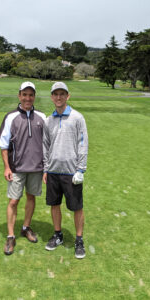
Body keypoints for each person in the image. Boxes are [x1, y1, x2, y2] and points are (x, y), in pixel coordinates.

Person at [0, 81, 46, 255]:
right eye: (24, 94)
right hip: (16, 167)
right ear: (19, 96)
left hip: (36, 168)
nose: (27, 98)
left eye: (31, 95)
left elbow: (47, 143)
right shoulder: (11, 117)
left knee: (31, 197)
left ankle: (25, 227)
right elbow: (4, 146)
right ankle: (10, 236)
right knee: (14, 201)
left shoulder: (42, 117)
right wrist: (6, 167)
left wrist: (46, 168)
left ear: (34, 97)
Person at [43, 82, 88, 259]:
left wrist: (81, 169)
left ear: (68, 96)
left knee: (77, 207)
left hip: (72, 172)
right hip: (53, 171)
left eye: (62, 94)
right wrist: (46, 168)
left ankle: (79, 239)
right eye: (56, 94)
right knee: (54, 205)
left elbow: (83, 144)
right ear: (52, 97)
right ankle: (58, 234)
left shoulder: (78, 118)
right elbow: (45, 146)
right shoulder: (48, 120)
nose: (59, 97)